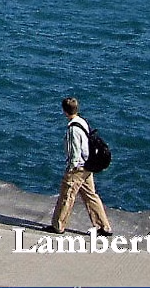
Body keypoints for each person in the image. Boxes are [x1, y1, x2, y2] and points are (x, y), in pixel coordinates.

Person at [46, 96, 112, 235]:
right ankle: (103, 226)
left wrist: (71, 168)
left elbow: (75, 151)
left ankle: (58, 226)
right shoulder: (82, 121)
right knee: (90, 195)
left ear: (64, 111)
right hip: (88, 165)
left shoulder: (72, 129)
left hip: (78, 168)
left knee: (67, 196)